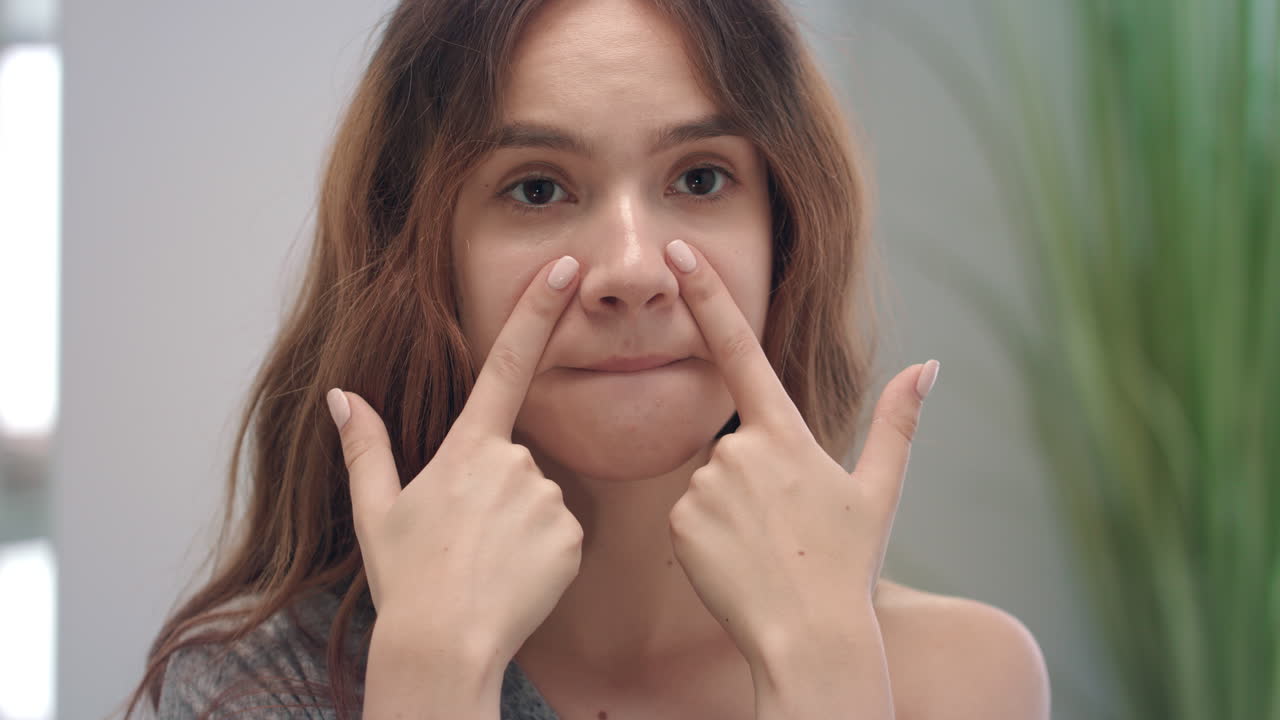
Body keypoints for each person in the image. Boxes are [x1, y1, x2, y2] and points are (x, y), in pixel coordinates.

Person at [122, 0, 1051, 718]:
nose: (634, 271)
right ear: (421, 256)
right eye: (537, 188)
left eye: (699, 177)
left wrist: (823, 672)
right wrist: (434, 680)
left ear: (786, 231)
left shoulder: (961, 680)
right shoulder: (257, 685)